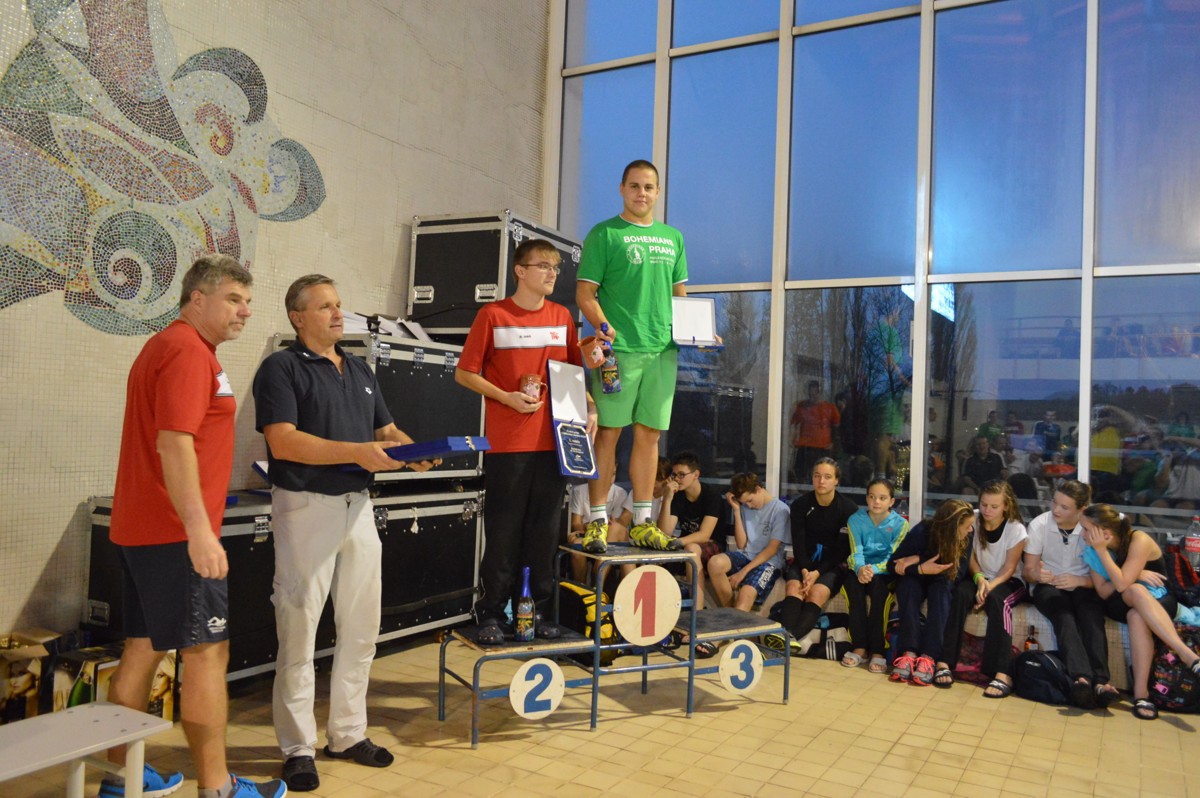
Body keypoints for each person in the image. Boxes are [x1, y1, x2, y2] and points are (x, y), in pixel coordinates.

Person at [105, 255, 283, 798]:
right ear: (197, 299)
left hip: (145, 529)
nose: (244, 311)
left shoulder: (173, 347)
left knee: (141, 650)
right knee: (207, 655)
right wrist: (200, 532)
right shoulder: (186, 351)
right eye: (233, 299)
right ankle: (218, 788)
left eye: (247, 302)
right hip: (174, 535)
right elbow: (174, 443)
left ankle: (122, 778)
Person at [253, 275, 433, 792]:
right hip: (306, 506)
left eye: (338, 304)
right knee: (300, 628)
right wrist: (357, 452)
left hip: (359, 507)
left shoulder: (358, 368)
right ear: (297, 317)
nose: (338, 314)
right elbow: (283, 442)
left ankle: (348, 734)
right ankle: (297, 748)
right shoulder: (281, 369)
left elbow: (384, 431)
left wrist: (413, 451)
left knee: (360, 627)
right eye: (325, 307)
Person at [455, 238, 593, 646]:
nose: (552, 273)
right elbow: (465, 373)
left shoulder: (562, 316)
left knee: (544, 536)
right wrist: (505, 397)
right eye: (543, 266)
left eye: (556, 267)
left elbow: (573, 373)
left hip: (554, 445)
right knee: (503, 535)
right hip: (508, 446)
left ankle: (538, 615)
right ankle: (491, 615)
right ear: (520, 270)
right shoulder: (493, 315)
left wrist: (591, 409)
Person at [575, 158, 687, 555]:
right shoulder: (604, 234)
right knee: (608, 434)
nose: (642, 193)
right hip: (617, 353)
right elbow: (585, 294)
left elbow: (680, 298)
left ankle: (642, 523)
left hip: (662, 352)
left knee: (649, 435)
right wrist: (603, 326)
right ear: (622, 189)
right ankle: (597, 521)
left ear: (658, 192)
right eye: (635, 186)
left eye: (649, 187)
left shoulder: (673, 238)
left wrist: (699, 331)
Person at [1081, 504, 1200, 720]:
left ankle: (1141, 694)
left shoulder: (1139, 540)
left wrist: (1127, 577)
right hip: (1119, 601)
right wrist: (1131, 573)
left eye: (1086, 529)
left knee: (1137, 615)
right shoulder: (1093, 551)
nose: (1082, 534)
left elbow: (1121, 582)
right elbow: (1106, 590)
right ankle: (1185, 654)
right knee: (1134, 589)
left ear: (1105, 533)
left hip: (1159, 599)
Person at [1022, 481, 1118, 708]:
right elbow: (1028, 571)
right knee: (1063, 616)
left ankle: (1101, 682)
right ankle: (1081, 678)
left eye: (1064, 507)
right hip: (1049, 586)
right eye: (1054, 502)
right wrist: (1037, 575)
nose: (1056, 510)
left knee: (1091, 616)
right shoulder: (1040, 524)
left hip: (1085, 584)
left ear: (1082, 509)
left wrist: (1080, 581)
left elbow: (1106, 576)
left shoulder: (1092, 529)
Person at [939, 480, 1027, 696]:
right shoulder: (974, 519)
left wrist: (988, 587)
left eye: (994, 506)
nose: (987, 510)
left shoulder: (1015, 528)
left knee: (999, 600)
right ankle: (945, 661)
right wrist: (979, 580)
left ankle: (1002, 673)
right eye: (984, 504)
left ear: (1006, 506)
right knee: (960, 594)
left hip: (1008, 580)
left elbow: (1009, 568)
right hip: (980, 576)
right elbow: (969, 556)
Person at [764, 457, 859, 656]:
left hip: (832, 563)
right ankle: (788, 641)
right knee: (794, 588)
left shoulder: (848, 509)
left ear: (836, 481)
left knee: (816, 593)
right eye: (817, 476)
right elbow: (798, 542)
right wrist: (806, 570)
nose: (821, 481)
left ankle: (786, 641)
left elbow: (841, 551)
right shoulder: (800, 505)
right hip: (804, 560)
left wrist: (816, 573)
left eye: (827, 477)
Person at [887, 499, 975, 686]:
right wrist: (920, 568)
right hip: (918, 576)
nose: (970, 530)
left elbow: (958, 573)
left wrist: (919, 559)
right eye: (967, 526)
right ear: (953, 527)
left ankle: (929, 656)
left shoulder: (968, 536)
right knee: (907, 586)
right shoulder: (923, 531)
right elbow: (892, 565)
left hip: (942, 578)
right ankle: (908, 652)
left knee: (941, 589)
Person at [842, 478, 908, 673]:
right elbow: (856, 551)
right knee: (852, 586)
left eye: (882, 498)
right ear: (866, 498)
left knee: (879, 590)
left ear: (891, 501)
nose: (876, 502)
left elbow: (893, 557)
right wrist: (861, 569)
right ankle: (859, 647)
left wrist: (872, 570)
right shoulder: (855, 520)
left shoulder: (900, 524)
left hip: (884, 571)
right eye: (872, 497)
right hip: (860, 568)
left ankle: (878, 650)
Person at [707, 474, 790, 612]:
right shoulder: (745, 507)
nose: (749, 506)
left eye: (750, 500)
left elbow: (772, 550)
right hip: (746, 554)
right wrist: (737, 510)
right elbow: (741, 544)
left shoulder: (781, 510)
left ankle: (734, 619)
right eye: (745, 503)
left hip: (769, 562)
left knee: (745, 593)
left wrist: (742, 573)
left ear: (758, 489)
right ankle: (731, 614)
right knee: (715, 563)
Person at [659, 451, 725, 615]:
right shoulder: (678, 496)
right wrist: (667, 499)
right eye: (674, 475)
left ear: (695, 475)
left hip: (712, 545)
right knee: (656, 554)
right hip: (687, 543)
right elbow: (665, 531)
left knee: (692, 549)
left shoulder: (711, 495)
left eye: (682, 475)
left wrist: (677, 542)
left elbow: (705, 534)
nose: (677, 479)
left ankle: (697, 612)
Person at [790, 380, 841, 485]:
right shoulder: (802, 406)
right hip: (805, 446)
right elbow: (794, 424)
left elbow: (837, 427)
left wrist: (833, 442)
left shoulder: (830, 408)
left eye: (815, 391)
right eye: (810, 392)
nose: (813, 395)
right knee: (801, 473)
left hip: (823, 447)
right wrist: (793, 440)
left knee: (822, 473)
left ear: (819, 392)